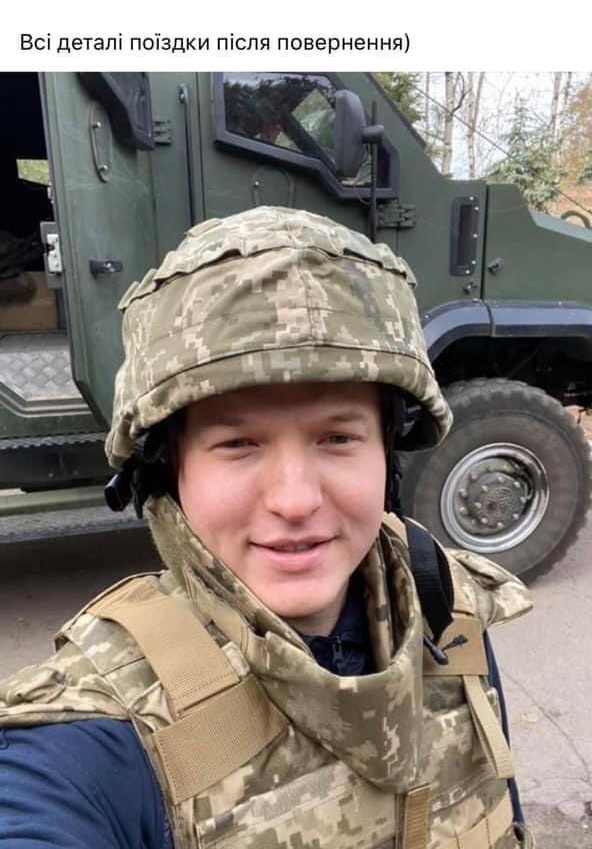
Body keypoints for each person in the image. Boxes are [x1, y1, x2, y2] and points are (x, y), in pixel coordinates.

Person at [0, 206, 534, 848]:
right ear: (170, 467)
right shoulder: (97, 736)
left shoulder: (446, 607)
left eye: (338, 437)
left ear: (386, 454)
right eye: (238, 443)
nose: (295, 500)